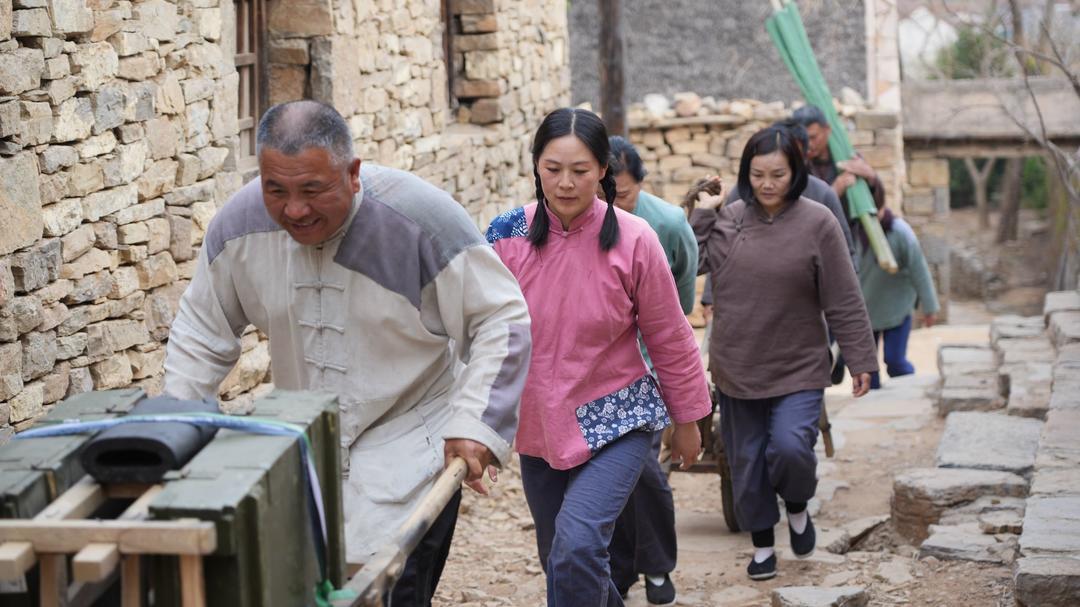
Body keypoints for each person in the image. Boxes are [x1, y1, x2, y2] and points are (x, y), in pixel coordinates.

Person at [163, 100, 532, 606]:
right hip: (306, 452)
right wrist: (177, 428)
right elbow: (201, 332)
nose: (294, 209)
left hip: (413, 442)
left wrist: (474, 423)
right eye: (277, 190)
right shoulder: (238, 229)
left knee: (394, 595)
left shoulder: (420, 221)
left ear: (352, 173)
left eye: (312, 190)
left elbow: (500, 317)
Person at [485, 108, 711, 607]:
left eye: (580, 170)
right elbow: (479, 334)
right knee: (562, 561)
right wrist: (475, 426)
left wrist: (689, 417)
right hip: (540, 422)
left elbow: (670, 334)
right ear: (536, 166)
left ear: (603, 170)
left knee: (578, 545)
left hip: (618, 417)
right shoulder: (504, 237)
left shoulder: (635, 240)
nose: (565, 183)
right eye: (552, 168)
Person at [690, 126, 878, 581]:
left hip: (799, 366)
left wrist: (861, 359)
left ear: (796, 173)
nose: (767, 183)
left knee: (792, 448)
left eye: (777, 173)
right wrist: (703, 215)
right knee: (748, 462)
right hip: (738, 368)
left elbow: (843, 296)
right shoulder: (729, 219)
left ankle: (796, 507)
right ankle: (761, 546)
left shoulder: (818, 222)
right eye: (757, 174)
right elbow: (688, 262)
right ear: (745, 174)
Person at [605, 136, 697, 605]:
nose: (608, 205)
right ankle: (617, 570)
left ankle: (657, 565)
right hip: (591, 372)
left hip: (646, 367)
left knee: (643, 473)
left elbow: (678, 309)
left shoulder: (667, 224)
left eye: (619, 195)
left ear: (641, 184)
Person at [857, 202, 940, 389]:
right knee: (867, 373)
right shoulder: (852, 231)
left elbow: (919, 270)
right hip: (864, 311)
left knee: (895, 361)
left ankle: (912, 390)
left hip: (897, 309)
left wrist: (930, 307)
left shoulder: (900, 232)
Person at [792, 104, 886, 215]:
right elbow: (800, 213)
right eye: (803, 139)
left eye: (813, 137)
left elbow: (877, 205)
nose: (809, 144)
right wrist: (834, 191)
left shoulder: (847, 157)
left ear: (827, 130)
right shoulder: (795, 167)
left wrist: (871, 177)